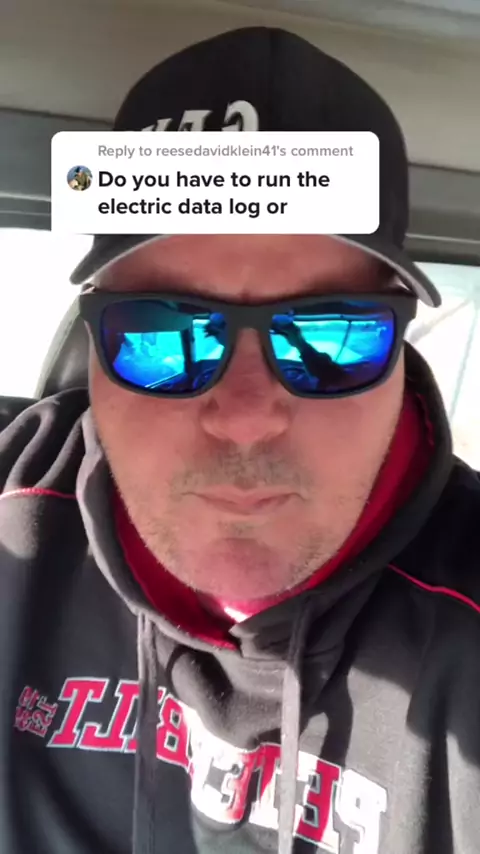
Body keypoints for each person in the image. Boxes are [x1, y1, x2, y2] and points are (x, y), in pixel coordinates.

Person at [0, 26, 479, 854]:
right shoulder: (16, 507)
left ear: (400, 348)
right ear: (94, 346)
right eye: (162, 333)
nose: (247, 416)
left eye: (329, 336)